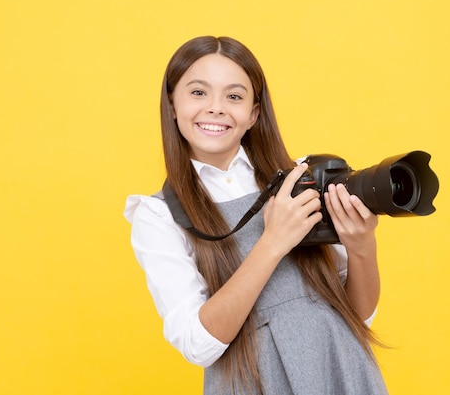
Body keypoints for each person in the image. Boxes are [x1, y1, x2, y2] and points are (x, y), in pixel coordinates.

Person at [124, 36, 389, 395]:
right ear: (171, 104)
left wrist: (361, 246)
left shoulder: (300, 178)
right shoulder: (158, 215)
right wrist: (273, 243)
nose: (216, 108)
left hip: (341, 367)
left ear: (253, 113)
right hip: (254, 382)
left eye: (234, 96)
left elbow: (357, 316)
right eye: (198, 92)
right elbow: (198, 344)